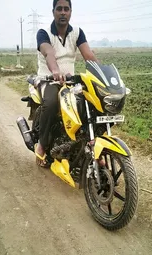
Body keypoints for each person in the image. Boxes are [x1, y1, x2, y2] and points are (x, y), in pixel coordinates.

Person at [35, 0, 97, 166]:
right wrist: (55, 71)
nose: (63, 12)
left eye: (66, 9)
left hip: (70, 82)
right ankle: (42, 144)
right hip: (48, 79)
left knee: (90, 103)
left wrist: (101, 71)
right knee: (52, 102)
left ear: (71, 12)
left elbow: (88, 55)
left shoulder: (77, 32)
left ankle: (92, 147)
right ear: (53, 11)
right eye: (59, 9)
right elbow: (48, 53)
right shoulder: (44, 33)